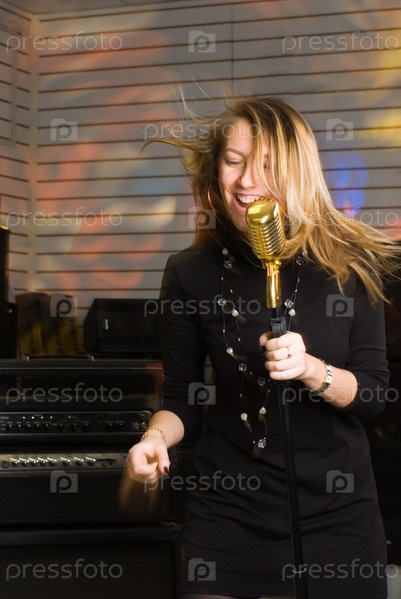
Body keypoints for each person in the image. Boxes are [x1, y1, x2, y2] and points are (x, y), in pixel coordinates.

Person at [127, 96, 400, 599]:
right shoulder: (189, 272)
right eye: (234, 161)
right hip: (227, 515)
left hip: (337, 515)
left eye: (268, 165)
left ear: (298, 171)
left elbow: (372, 395)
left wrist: (312, 369)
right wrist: (155, 439)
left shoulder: (351, 264)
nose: (247, 180)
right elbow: (181, 400)